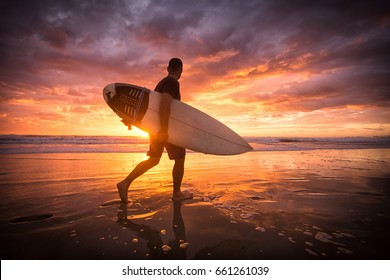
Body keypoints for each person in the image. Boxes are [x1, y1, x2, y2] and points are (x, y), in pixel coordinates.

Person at [117, 58, 193, 204]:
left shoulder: (161, 83)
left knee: (153, 159)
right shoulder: (172, 82)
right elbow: (165, 102)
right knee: (179, 158)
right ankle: (177, 193)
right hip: (166, 128)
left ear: (168, 68)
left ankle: (125, 183)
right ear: (181, 69)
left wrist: (134, 120)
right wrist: (165, 129)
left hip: (154, 128)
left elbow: (148, 107)